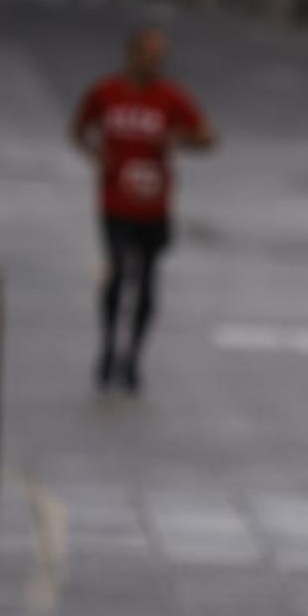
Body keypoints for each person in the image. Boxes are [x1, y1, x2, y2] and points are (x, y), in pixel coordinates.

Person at [71, 26, 215, 393]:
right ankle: (106, 348)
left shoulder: (171, 98)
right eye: (148, 55)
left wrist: (179, 138)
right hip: (114, 201)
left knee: (148, 279)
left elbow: (208, 137)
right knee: (118, 272)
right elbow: (78, 129)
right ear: (131, 54)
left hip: (154, 206)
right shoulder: (105, 93)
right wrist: (96, 155)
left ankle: (133, 357)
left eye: (160, 57)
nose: (155, 62)